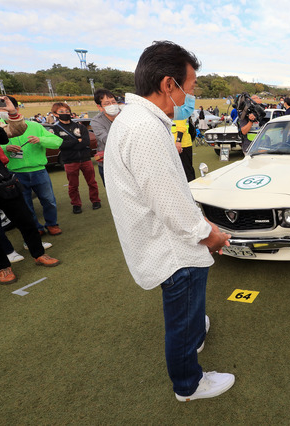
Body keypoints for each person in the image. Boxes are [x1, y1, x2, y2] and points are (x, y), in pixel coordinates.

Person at [105, 41, 234, 401]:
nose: (190, 95)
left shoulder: (135, 121)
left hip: (163, 239)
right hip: (171, 247)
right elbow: (170, 203)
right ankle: (188, 385)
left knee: (188, 310)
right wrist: (208, 234)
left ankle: (194, 335)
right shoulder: (145, 128)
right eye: (189, 87)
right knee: (180, 317)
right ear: (168, 85)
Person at [0, 96, 60, 284]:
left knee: (25, 218)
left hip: (3, 181)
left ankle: (38, 253)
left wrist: (12, 112)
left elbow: (9, 133)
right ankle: (2, 267)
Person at [3, 96, 62, 236]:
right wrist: (6, 148)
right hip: (15, 173)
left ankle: (52, 224)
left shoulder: (34, 125)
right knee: (26, 204)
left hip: (39, 170)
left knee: (49, 200)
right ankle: (36, 227)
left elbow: (56, 142)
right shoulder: (0, 128)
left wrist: (40, 139)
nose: (2, 111)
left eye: (6, 108)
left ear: (16, 109)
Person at [48, 102, 101, 214]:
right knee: (73, 185)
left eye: (67, 111)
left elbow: (86, 142)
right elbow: (61, 145)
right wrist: (77, 141)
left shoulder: (80, 126)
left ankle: (95, 200)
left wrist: (71, 143)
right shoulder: (55, 129)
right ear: (55, 114)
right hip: (69, 161)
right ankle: (76, 204)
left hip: (85, 159)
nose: (65, 113)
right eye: (61, 112)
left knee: (92, 182)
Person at [91, 89, 120, 187]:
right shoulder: (96, 121)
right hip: (108, 165)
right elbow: (106, 139)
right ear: (100, 107)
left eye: (113, 102)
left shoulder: (125, 115)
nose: (112, 105)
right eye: (107, 103)